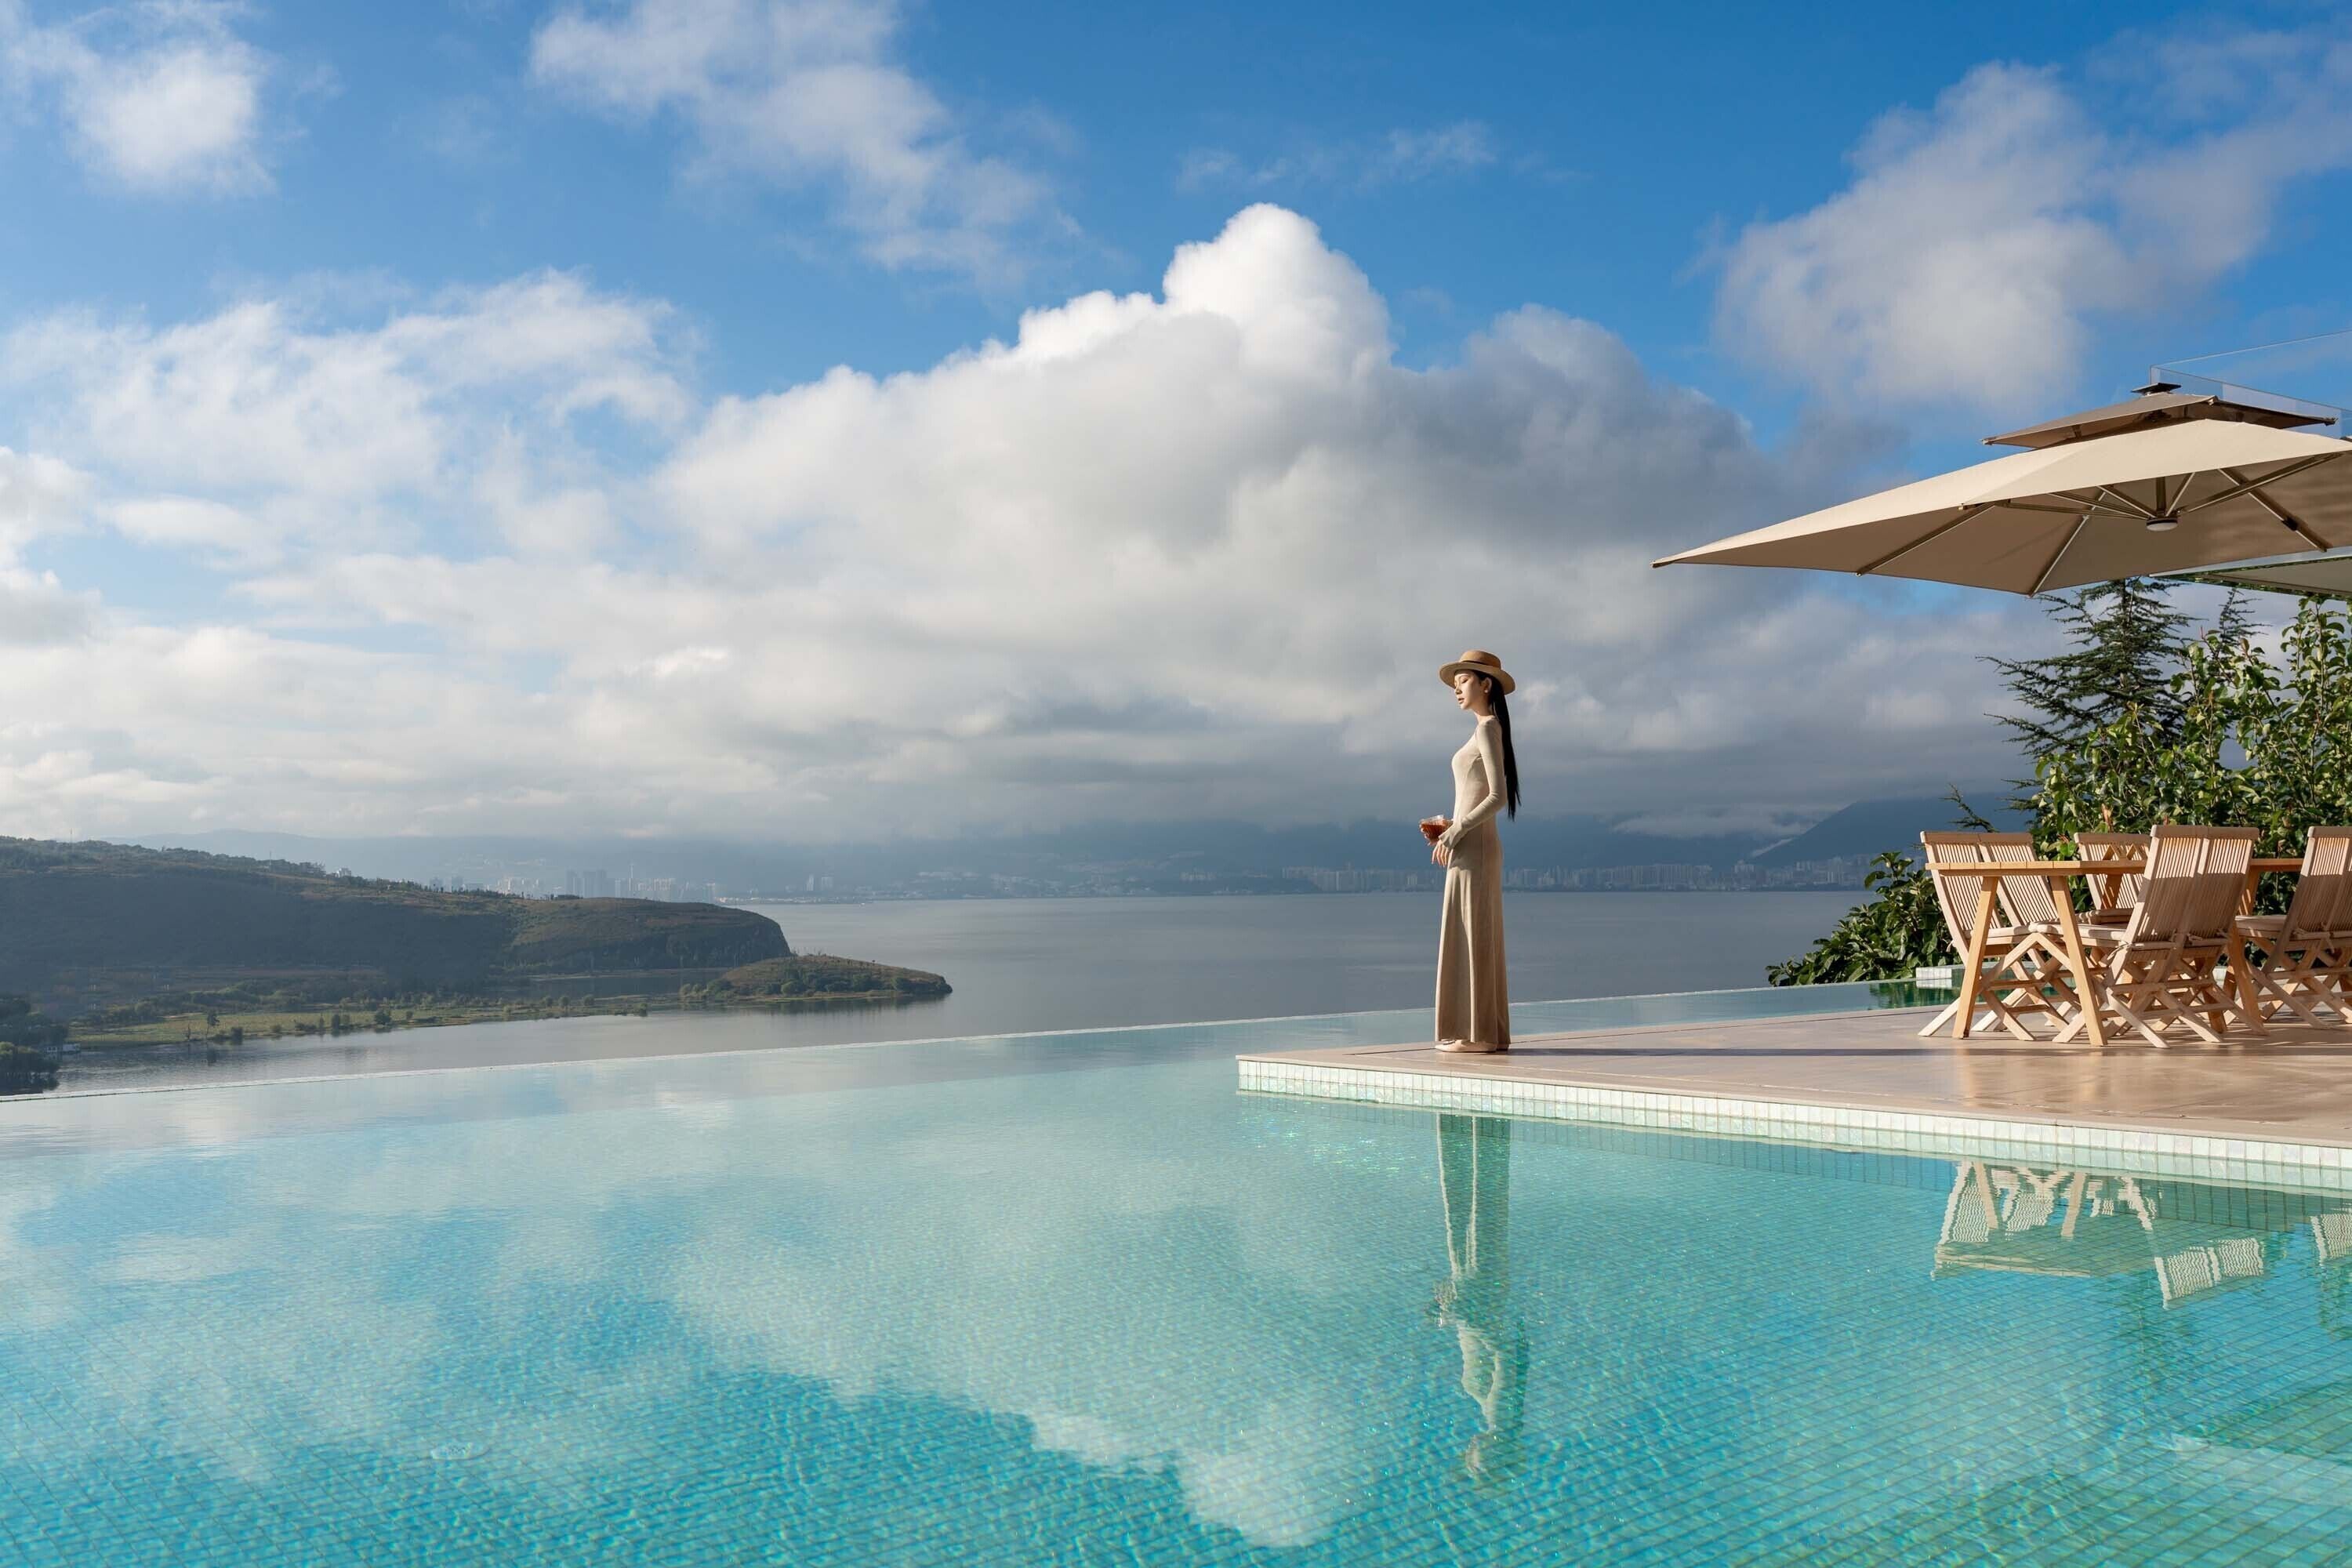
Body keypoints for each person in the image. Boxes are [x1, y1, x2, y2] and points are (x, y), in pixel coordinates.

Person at [1421, 649, 1519, 1054]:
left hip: (1475, 846)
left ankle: (1476, 1034)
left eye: (1462, 681)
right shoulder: (1485, 729)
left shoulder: (1487, 728)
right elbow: (1480, 795)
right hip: (1471, 844)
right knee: (1472, 933)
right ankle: (1484, 1031)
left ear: (1485, 684)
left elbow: (1498, 797)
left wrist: (1457, 829)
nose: (1456, 690)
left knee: (1471, 934)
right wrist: (1449, 830)